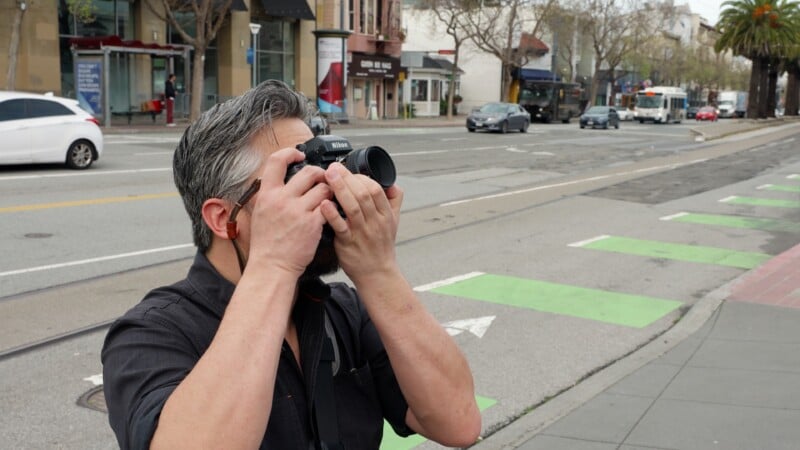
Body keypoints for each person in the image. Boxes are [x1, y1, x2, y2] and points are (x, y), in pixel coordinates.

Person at [102, 80, 481, 449]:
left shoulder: (343, 310)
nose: (330, 196)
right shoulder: (151, 334)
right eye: (299, 180)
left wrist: (378, 271)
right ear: (223, 218)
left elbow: (458, 422)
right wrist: (275, 266)